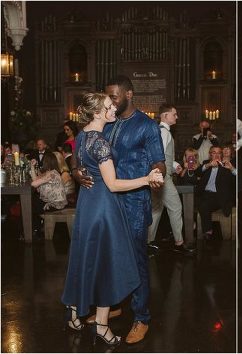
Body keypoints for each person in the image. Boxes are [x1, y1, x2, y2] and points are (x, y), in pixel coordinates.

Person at [61, 92, 162, 348]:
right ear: (97, 113)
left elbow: (78, 163)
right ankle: (102, 326)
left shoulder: (83, 135)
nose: (113, 109)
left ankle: (75, 312)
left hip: (87, 205)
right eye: (108, 106)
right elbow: (114, 185)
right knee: (107, 265)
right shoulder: (101, 143)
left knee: (87, 259)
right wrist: (147, 179)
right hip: (105, 208)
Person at [148, 104, 195, 255]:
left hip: (159, 175)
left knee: (156, 209)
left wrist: (174, 165)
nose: (177, 117)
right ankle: (179, 243)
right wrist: (163, 173)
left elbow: (163, 155)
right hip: (163, 177)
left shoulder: (162, 132)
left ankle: (148, 243)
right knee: (175, 208)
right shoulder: (163, 132)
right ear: (165, 116)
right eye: (174, 114)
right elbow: (157, 155)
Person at [196, 146, 236, 240]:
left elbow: (237, 180)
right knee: (192, 201)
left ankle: (208, 232)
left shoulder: (226, 165)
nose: (217, 155)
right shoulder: (206, 163)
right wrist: (208, 165)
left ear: (221, 155)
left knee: (204, 205)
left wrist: (232, 169)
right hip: (204, 194)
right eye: (214, 152)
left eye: (219, 153)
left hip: (218, 196)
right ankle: (194, 227)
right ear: (210, 154)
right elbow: (197, 173)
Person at [29, 151, 68, 239]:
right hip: (53, 202)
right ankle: (36, 229)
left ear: (47, 162)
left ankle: (35, 230)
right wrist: (32, 166)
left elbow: (34, 184)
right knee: (33, 201)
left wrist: (37, 180)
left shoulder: (52, 174)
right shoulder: (50, 173)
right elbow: (35, 179)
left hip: (56, 204)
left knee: (31, 203)